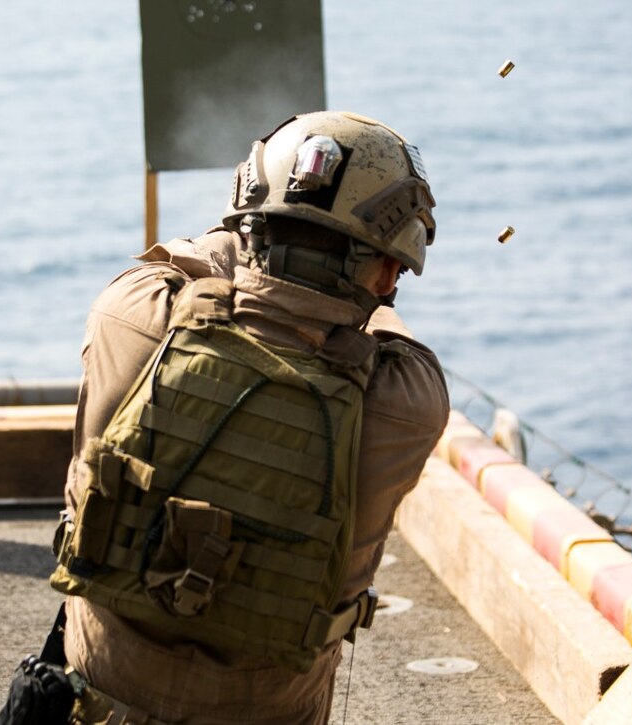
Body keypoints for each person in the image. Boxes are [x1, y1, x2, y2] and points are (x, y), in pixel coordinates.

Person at [52, 111, 449, 724]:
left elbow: (202, 253)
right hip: (268, 710)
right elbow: (379, 326)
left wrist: (263, 231)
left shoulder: (132, 312)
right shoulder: (405, 399)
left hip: (102, 687)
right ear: (388, 268)